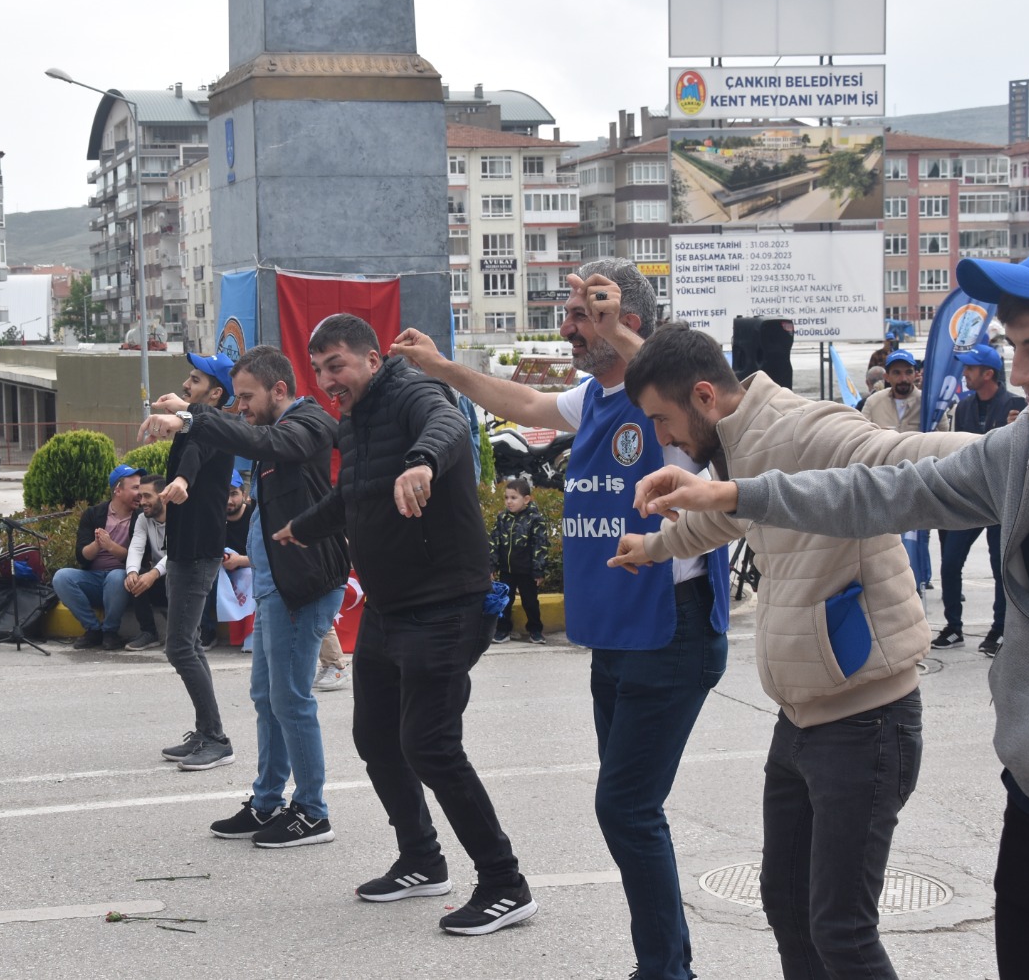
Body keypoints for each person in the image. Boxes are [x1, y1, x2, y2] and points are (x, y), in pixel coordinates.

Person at [631, 229, 1029, 980]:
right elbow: (880, 492)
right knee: (793, 907)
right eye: (1015, 347)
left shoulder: (823, 424)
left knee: (839, 930)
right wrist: (731, 495)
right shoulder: (1026, 455)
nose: (1020, 373)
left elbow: (894, 457)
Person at [609, 323, 978, 980]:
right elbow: (730, 514)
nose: (661, 437)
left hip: (866, 721)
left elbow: (909, 456)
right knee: (786, 904)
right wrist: (655, 546)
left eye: (662, 420)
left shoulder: (807, 429)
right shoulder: (738, 441)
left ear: (704, 396)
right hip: (801, 717)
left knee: (842, 930)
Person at [392, 261, 729, 961]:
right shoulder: (595, 396)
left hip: (669, 629)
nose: (570, 328)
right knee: (631, 811)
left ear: (625, 321)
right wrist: (440, 366)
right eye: (572, 315)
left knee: (626, 808)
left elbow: (705, 394)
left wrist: (627, 333)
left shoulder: (669, 398)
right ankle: (664, 961)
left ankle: (666, 969)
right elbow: (522, 402)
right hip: (618, 634)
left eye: (584, 315)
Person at [280, 314, 536, 936]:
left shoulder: (413, 392)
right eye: (318, 370)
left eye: (336, 365)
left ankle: (505, 884)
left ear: (372, 359)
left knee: (429, 743)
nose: (327, 380)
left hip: (446, 603)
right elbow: (355, 494)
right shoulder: (355, 419)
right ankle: (422, 858)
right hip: (389, 607)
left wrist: (422, 463)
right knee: (375, 737)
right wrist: (302, 528)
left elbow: (447, 425)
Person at [141, 344, 349, 848]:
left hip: (303, 585)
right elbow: (250, 434)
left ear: (279, 389)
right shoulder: (273, 427)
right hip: (274, 587)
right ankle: (267, 802)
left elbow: (262, 439)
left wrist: (190, 418)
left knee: (290, 701)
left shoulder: (309, 424)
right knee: (267, 699)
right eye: (236, 397)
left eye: (248, 397)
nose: (242, 407)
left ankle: (312, 812)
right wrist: (192, 416)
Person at [146, 352, 237, 772]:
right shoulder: (197, 422)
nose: (187, 383)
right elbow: (192, 429)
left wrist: (181, 479)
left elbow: (195, 454)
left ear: (215, 394)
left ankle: (215, 738)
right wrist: (179, 414)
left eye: (196, 380)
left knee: (180, 646)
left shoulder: (213, 427)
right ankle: (206, 732)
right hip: (185, 547)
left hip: (199, 550)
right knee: (188, 645)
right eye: (189, 377)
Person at [934, 343, 1026, 656]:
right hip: (971, 499)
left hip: (1002, 500)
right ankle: (953, 627)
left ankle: (999, 629)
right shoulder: (962, 407)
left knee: (1001, 568)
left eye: (970, 368)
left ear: (988, 373)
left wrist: (1018, 428)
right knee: (949, 563)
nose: (965, 373)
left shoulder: (1017, 405)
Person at [56, 464, 143, 650]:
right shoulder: (94, 514)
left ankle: (110, 632)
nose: (140, 493)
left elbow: (141, 558)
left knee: (116, 576)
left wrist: (111, 546)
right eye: (135, 487)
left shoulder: (141, 517)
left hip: (122, 582)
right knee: (62, 577)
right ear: (118, 490)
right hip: (94, 578)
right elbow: (82, 556)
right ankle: (93, 629)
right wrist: (97, 544)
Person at [488, 477, 549, 644]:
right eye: (506, 497)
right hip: (507, 570)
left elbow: (540, 545)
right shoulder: (502, 518)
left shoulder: (535, 519)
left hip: (527, 571)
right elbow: (494, 542)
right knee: (504, 602)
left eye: (513, 498)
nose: (509, 501)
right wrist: (491, 566)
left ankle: (535, 630)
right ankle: (503, 630)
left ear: (526, 499)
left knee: (530, 602)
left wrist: (538, 570)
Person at [122, 475, 170, 650]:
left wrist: (154, 573)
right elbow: (136, 547)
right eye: (141, 496)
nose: (142, 502)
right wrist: (132, 572)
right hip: (159, 578)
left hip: (179, 575)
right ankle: (149, 633)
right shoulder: (143, 519)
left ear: (163, 496)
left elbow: (177, 554)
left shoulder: (180, 517)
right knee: (134, 578)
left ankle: (199, 631)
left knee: (180, 573)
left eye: (147, 496)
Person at [221, 470, 255, 650]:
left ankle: (250, 636)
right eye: (224, 494)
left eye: (234, 493)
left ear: (244, 494)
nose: (228, 500)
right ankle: (204, 631)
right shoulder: (213, 518)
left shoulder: (255, 517)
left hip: (249, 570)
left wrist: (240, 561)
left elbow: (268, 555)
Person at [861, 350, 930, 432]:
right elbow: (862, 435)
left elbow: (941, 435)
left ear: (915, 375)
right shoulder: (873, 402)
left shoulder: (927, 403)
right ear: (886, 377)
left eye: (908, 372)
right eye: (897, 373)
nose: (903, 379)